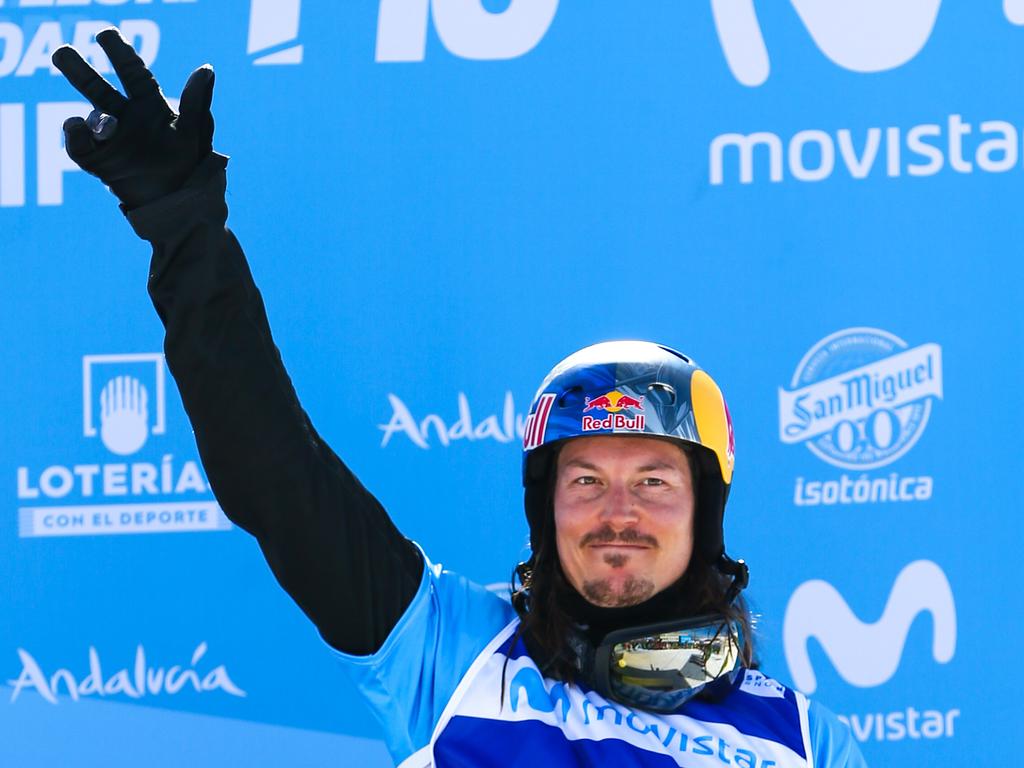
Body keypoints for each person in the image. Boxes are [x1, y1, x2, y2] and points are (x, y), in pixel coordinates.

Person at [52, 29, 867, 768]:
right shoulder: (448, 650)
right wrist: (183, 228)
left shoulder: (804, 741)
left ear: (707, 510)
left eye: (653, 480)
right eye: (585, 480)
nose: (618, 511)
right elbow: (273, 470)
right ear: (545, 507)